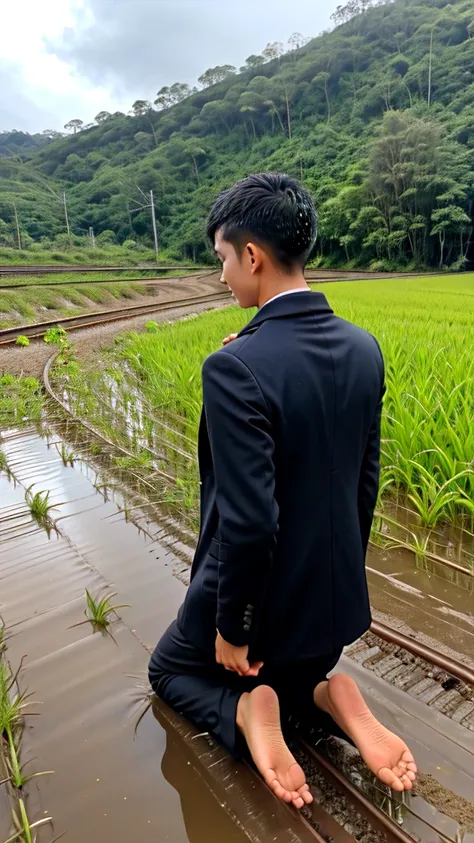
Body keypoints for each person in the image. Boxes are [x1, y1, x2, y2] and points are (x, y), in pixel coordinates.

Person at [149, 172, 417, 810]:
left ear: (252, 255)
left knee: (169, 671)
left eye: (221, 259)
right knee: (293, 683)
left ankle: (247, 714)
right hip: (333, 612)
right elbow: (364, 486)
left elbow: (247, 524)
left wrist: (235, 628)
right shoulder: (363, 348)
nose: (221, 277)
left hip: (263, 615)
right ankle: (326, 694)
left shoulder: (234, 365)